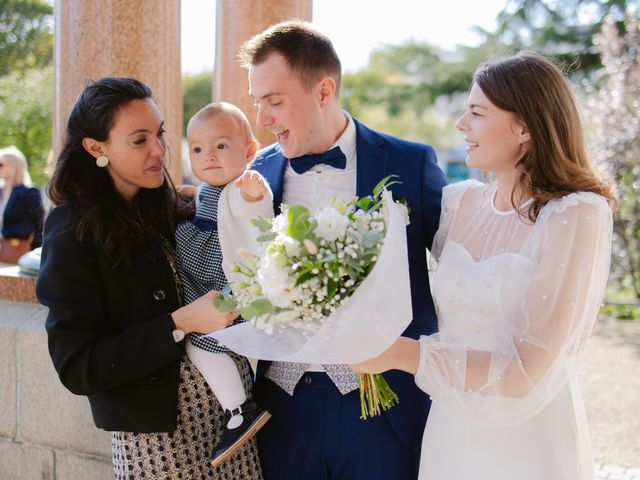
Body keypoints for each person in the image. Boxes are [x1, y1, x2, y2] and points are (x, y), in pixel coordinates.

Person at [352, 52, 616, 480]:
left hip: (529, 437)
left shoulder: (575, 214)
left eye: (476, 113)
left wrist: (404, 354)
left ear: (525, 127)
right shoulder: (459, 203)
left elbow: (526, 373)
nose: (461, 125)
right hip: (452, 427)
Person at [239, 20, 448, 479]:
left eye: (274, 101)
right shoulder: (257, 175)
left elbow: (459, 273)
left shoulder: (410, 164)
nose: (263, 118)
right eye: (258, 103)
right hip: (284, 410)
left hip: (384, 408)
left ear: (323, 90)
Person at [35, 77, 263, 479]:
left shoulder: (170, 207)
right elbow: (78, 366)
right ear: (96, 148)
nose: (160, 150)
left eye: (159, 133)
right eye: (139, 140)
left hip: (236, 428)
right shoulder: (72, 231)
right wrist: (178, 324)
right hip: (159, 446)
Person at [177, 102, 272, 466]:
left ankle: (239, 411)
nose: (208, 157)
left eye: (221, 146)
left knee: (200, 343)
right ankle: (238, 407)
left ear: (249, 151)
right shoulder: (209, 187)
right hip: (203, 268)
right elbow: (207, 202)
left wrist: (252, 193)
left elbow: (256, 211)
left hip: (224, 277)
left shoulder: (243, 185)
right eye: (198, 149)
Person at [0, 146, 44, 263]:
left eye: (1, 165)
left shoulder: (28, 192)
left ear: (13, 166)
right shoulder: (1, 191)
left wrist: (36, 254)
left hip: (20, 252)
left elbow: (40, 224)